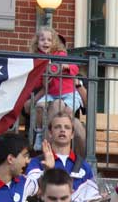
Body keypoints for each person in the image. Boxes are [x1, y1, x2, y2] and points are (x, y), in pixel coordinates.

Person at [23, 110, 104, 202]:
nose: (62, 130)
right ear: (50, 133)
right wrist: (47, 170)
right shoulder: (37, 162)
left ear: (72, 134)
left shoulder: (84, 166)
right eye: (57, 127)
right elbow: (31, 192)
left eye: (67, 127)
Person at [30, 26, 86, 155]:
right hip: (51, 94)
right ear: (37, 42)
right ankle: (40, 134)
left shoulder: (60, 55)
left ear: (54, 43)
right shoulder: (38, 59)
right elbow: (37, 81)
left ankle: (66, 150)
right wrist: (44, 81)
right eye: (42, 40)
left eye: (49, 40)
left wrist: (64, 66)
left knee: (67, 112)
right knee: (39, 107)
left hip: (69, 94)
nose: (46, 42)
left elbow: (74, 68)